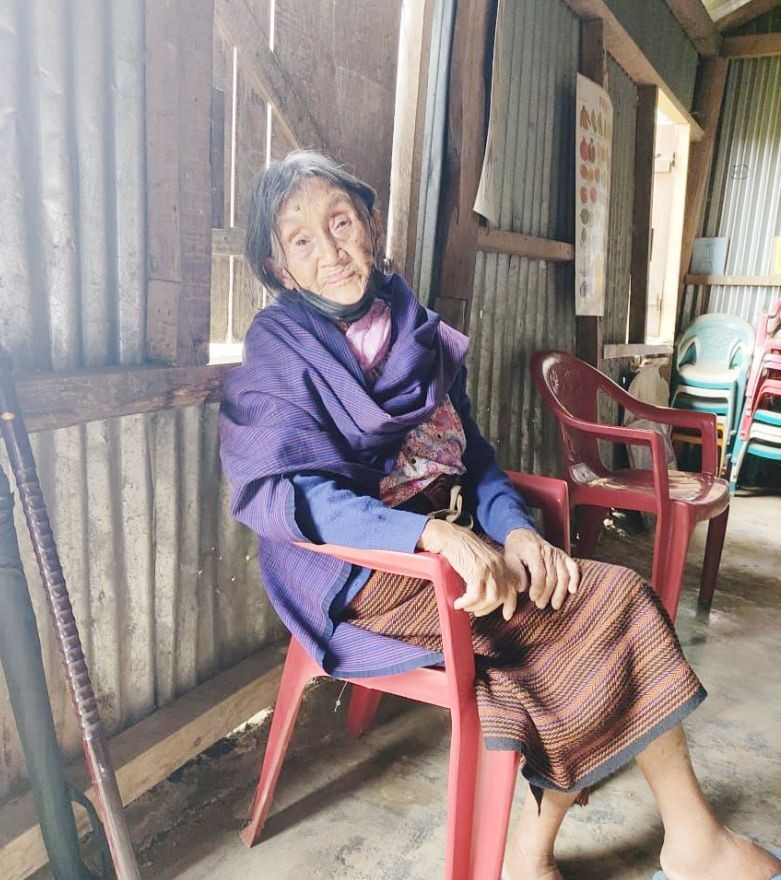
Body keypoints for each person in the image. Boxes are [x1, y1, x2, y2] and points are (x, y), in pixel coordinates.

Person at [219, 151, 780, 880]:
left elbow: (474, 456)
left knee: (567, 622)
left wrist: (514, 530)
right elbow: (294, 496)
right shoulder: (277, 347)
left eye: (341, 222)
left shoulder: (413, 327)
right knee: (602, 608)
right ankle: (669, 846)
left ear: (370, 227)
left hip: (452, 537)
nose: (330, 250)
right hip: (355, 570)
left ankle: (575, 852)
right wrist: (434, 536)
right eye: (301, 240)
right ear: (279, 268)